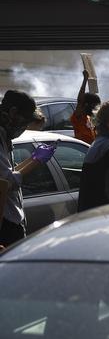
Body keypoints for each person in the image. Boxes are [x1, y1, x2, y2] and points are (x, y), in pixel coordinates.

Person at [0, 91, 56, 246]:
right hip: (6, 222)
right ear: (13, 113)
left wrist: (32, 159)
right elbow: (7, 182)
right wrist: (36, 161)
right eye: (24, 122)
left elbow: (8, 173)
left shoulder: (4, 135)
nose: (24, 127)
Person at [71, 69, 101, 144]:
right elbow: (80, 101)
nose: (95, 109)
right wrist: (85, 80)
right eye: (94, 106)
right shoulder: (79, 117)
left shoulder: (89, 118)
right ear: (86, 105)